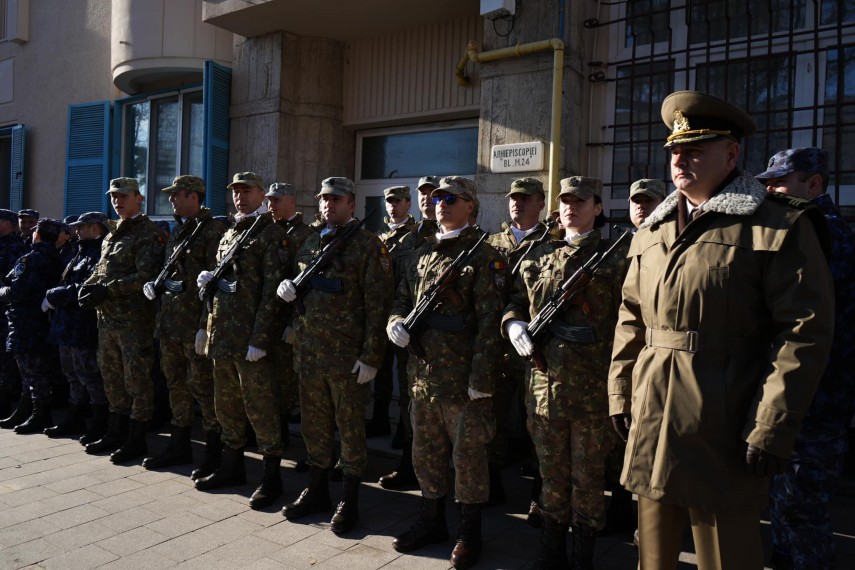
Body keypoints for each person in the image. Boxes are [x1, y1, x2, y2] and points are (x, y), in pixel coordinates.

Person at [608, 91, 835, 569]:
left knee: (726, 554)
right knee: (652, 553)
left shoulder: (776, 224)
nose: (680, 158)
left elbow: (803, 333)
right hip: (651, 414)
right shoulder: (653, 229)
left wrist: (771, 424)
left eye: (695, 148)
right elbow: (631, 317)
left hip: (725, 422)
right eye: (674, 149)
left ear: (732, 154)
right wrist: (619, 393)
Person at [503, 176, 628, 568]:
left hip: (592, 394)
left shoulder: (615, 257)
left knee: (588, 481)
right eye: (566, 201)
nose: (572, 207)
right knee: (550, 476)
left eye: (582, 200)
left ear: (598, 207)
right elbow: (515, 301)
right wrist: (512, 324)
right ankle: (552, 548)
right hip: (543, 389)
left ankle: (584, 554)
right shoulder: (538, 253)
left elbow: (632, 319)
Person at [387, 176, 503, 569]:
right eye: (437, 198)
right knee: (426, 453)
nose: (441, 204)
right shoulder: (423, 252)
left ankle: (470, 534)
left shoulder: (485, 255)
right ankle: (431, 520)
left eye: (451, 198)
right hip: (423, 375)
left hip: (462, 382)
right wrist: (395, 321)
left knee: (468, 459)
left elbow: (490, 325)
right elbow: (402, 297)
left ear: (470, 205)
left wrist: (480, 380)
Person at [754, 147, 855, 569]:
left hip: (818, 397)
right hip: (803, 394)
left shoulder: (824, 233)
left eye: (780, 182)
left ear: (813, 185)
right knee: (785, 502)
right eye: (768, 183)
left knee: (802, 508)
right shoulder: (803, 229)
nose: (771, 190)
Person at [277, 176, 392, 534]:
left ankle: (350, 497)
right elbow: (305, 293)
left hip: (347, 357)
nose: (328, 205)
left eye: (336, 199)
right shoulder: (311, 241)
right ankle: (317, 489)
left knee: (350, 429)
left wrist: (372, 355)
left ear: (351, 204)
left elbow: (378, 306)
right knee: (314, 426)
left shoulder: (368, 246)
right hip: (310, 353)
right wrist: (290, 292)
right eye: (324, 199)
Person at [194, 172, 288, 510]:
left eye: (246, 191)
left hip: (250, 339)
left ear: (262, 194)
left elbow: (271, 291)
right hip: (223, 334)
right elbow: (223, 286)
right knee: (227, 405)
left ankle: (271, 477)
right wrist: (206, 323)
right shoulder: (230, 231)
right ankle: (231, 466)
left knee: (260, 407)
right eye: (235, 191)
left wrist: (260, 338)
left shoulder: (271, 233)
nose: (240, 197)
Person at [141, 176, 228, 478]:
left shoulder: (213, 230)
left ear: (194, 196)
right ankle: (180, 445)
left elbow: (216, 284)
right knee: (176, 385)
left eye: (176, 195)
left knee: (203, 388)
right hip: (171, 324)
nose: (171, 200)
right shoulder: (179, 231)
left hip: (194, 325)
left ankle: (214, 452)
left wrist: (206, 325)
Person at [79, 177, 165, 464]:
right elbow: (101, 270)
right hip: (107, 319)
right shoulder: (111, 234)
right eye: (114, 197)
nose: (118, 201)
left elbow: (145, 276)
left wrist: (107, 290)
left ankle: (137, 438)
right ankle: (116, 432)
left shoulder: (148, 233)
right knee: (112, 376)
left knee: (137, 379)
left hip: (133, 321)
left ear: (138, 198)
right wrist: (88, 286)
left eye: (123, 196)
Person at [486, 176, 549, 507]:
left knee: (539, 417)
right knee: (493, 414)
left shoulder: (552, 242)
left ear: (540, 202)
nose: (518, 203)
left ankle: (540, 492)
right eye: (514, 198)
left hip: (536, 346)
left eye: (526, 198)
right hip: (497, 344)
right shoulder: (491, 243)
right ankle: (492, 479)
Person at [377, 175, 440, 490]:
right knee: (408, 397)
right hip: (402, 323)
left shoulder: (440, 235)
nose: (427, 199)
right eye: (423, 194)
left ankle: (423, 466)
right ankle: (409, 462)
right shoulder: (410, 235)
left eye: (434, 194)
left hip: (435, 332)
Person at [42, 212, 110, 441]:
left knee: (89, 375)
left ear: (95, 229)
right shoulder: (78, 252)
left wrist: (56, 294)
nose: (76, 231)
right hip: (67, 326)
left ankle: (99, 422)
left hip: (83, 326)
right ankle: (75, 418)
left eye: (82, 227)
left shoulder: (100, 254)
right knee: (71, 374)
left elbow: (86, 286)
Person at [264, 181, 316, 446]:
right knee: (269, 381)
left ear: (292, 202)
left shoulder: (304, 234)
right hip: (266, 320)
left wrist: (293, 322)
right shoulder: (267, 230)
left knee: (286, 384)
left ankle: (283, 438)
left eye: (276, 201)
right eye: (269, 200)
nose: (270, 205)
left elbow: (303, 282)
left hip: (289, 320)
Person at [0, 218, 64, 433]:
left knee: (30, 370)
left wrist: (1, 292)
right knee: (35, 370)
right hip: (41, 321)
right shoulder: (56, 258)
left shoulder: (31, 259)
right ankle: (26, 410)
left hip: (25, 322)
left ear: (37, 234)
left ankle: (40, 414)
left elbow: (16, 291)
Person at [367, 185, 415, 440]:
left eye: (398, 201)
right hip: (380, 313)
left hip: (404, 315)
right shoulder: (378, 236)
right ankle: (380, 419)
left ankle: (403, 429)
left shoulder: (416, 236)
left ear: (408, 204)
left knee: (405, 375)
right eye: (389, 201)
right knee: (381, 370)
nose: (393, 206)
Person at [0, 209, 27, 418]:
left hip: (6, 308)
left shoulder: (17, 247)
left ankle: (5, 400)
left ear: (9, 223)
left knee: (5, 357)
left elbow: (13, 280)